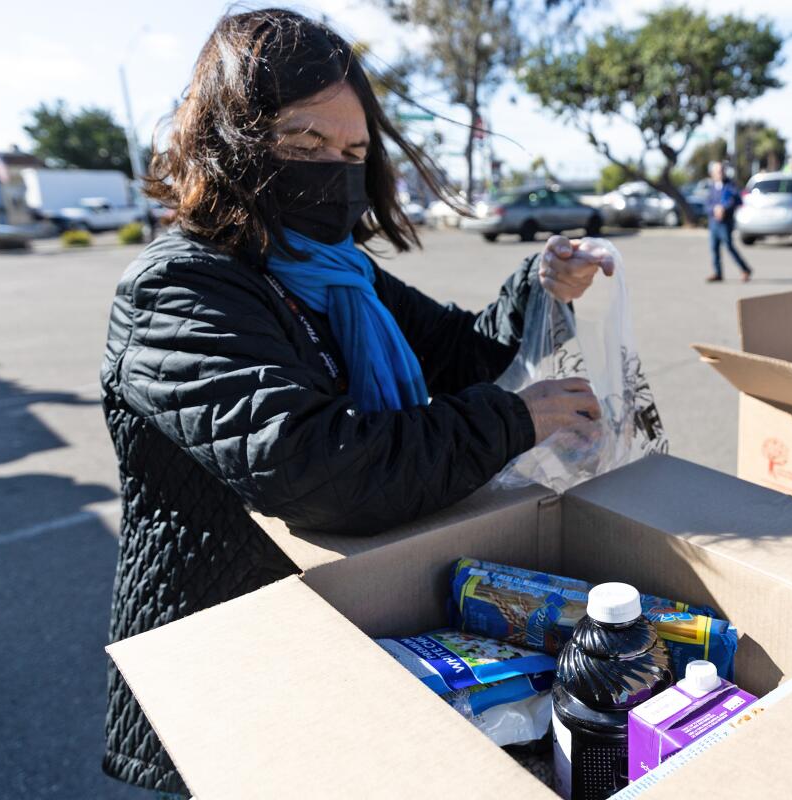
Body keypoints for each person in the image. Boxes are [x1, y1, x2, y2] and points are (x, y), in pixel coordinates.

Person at [98, 9, 613, 795]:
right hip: (223, 663)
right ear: (229, 137)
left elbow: (460, 352)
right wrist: (513, 419)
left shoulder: (344, 273)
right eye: (304, 144)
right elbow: (313, 467)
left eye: (352, 152)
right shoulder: (181, 289)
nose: (331, 172)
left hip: (342, 635)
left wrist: (536, 285)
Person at [704, 161, 751, 283]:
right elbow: (707, 205)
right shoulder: (712, 187)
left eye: (721, 171)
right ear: (713, 174)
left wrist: (724, 208)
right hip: (713, 223)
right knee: (714, 249)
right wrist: (714, 209)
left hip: (725, 223)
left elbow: (737, 201)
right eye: (717, 171)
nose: (720, 173)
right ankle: (718, 273)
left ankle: (745, 269)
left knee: (729, 247)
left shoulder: (730, 185)